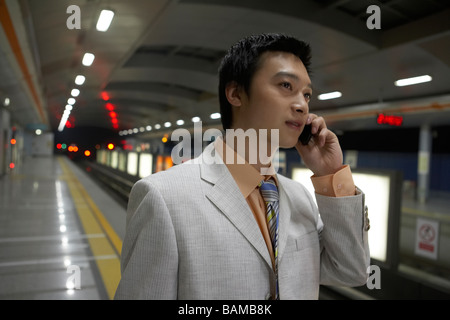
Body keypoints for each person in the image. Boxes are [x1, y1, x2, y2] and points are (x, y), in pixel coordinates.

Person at [114, 33, 370, 300]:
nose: (301, 105)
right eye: (285, 85)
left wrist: (330, 174)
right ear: (236, 93)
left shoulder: (301, 197)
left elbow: (351, 271)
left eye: (306, 94)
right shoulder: (164, 198)